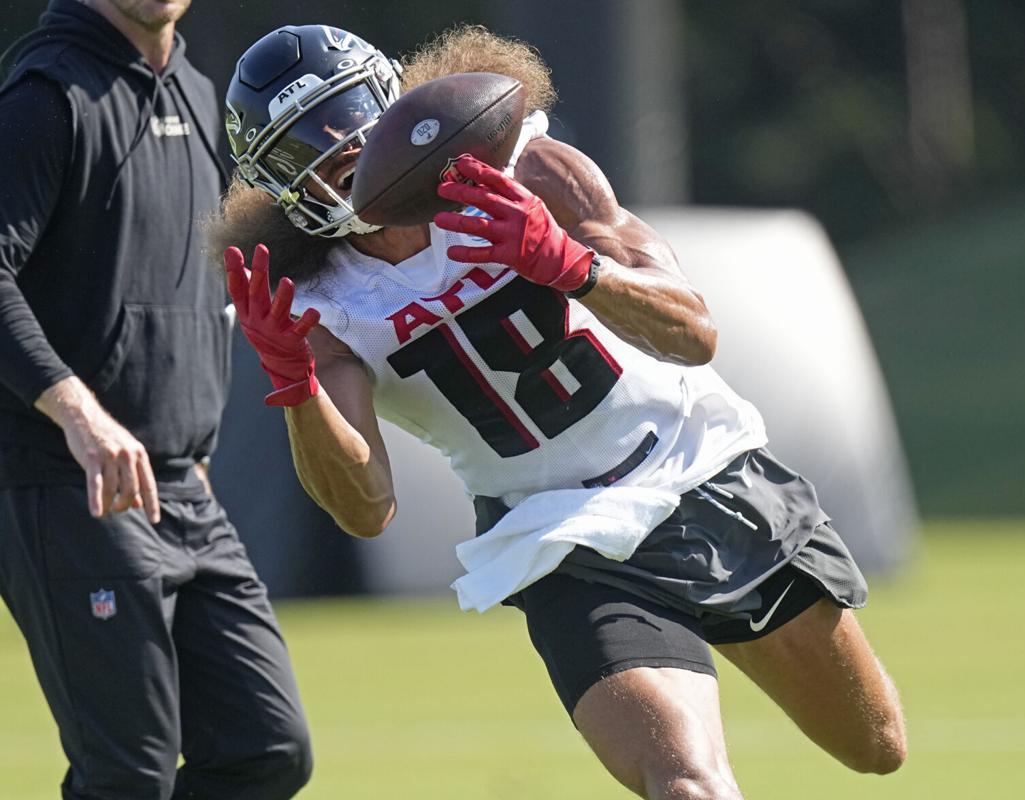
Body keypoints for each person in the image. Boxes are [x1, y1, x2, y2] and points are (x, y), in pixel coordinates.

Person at [217, 23, 906, 799]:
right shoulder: (318, 300)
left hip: (699, 467)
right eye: (300, 147)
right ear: (266, 180)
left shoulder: (519, 165)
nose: (339, 155)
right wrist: (296, 385)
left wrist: (572, 266)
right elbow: (365, 504)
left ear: (396, 98)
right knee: (686, 785)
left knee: (876, 745)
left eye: (346, 122)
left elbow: (693, 333)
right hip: (557, 536)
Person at [0, 2, 312, 798]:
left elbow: (190, 285)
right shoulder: (45, 95)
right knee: (127, 776)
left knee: (266, 747)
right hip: (69, 483)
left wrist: (198, 442)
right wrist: (78, 411)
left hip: (183, 485)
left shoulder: (202, 91)